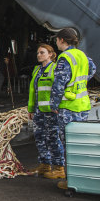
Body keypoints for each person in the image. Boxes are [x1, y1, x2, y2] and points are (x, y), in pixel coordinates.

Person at [49, 28, 97, 189]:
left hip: (68, 107)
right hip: (82, 105)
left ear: (62, 40)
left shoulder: (64, 58)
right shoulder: (82, 55)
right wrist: (79, 83)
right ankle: (84, 178)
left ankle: (72, 181)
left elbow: (59, 84)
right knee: (80, 143)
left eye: (56, 40)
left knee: (68, 145)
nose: (56, 43)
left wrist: (54, 104)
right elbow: (93, 69)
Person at [27, 44, 65, 178]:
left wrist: (57, 106)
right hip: (38, 111)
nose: (39, 55)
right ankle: (45, 164)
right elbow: (33, 91)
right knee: (40, 137)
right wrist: (31, 109)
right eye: (38, 53)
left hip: (51, 111)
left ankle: (59, 168)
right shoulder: (37, 70)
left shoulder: (55, 69)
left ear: (50, 54)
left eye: (42, 52)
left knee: (53, 138)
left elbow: (59, 88)